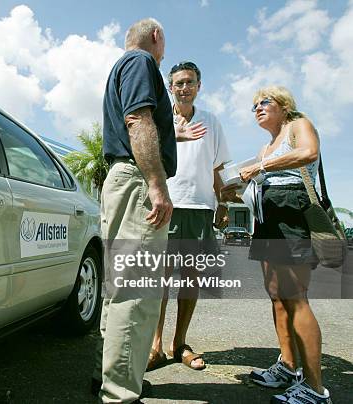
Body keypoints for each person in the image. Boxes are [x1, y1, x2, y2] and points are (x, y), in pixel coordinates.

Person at [92, 18, 176, 403]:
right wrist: (156, 184)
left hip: (120, 179)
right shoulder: (142, 62)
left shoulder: (122, 67)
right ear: (156, 36)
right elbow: (138, 120)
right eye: (164, 43)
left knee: (118, 287)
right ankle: (120, 394)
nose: (163, 51)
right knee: (136, 290)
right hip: (137, 178)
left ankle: (110, 378)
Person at [238, 86, 331, 403]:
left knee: (295, 298)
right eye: (254, 106)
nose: (258, 108)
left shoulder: (297, 124)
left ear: (284, 105)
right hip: (267, 217)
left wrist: (260, 168)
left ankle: (316, 390)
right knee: (277, 296)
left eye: (264, 102)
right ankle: (289, 367)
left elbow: (308, 152)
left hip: (292, 212)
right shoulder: (265, 147)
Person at [146, 61, 231, 372]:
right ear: (171, 88)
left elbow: (216, 168)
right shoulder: (158, 119)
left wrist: (221, 202)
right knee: (161, 280)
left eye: (190, 82)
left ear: (199, 86)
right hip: (166, 204)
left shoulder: (212, 122)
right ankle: (155, 346)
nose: (184, 87)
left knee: (191, 280)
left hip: (200, 208)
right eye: (179, 82)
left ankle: (179, 343)